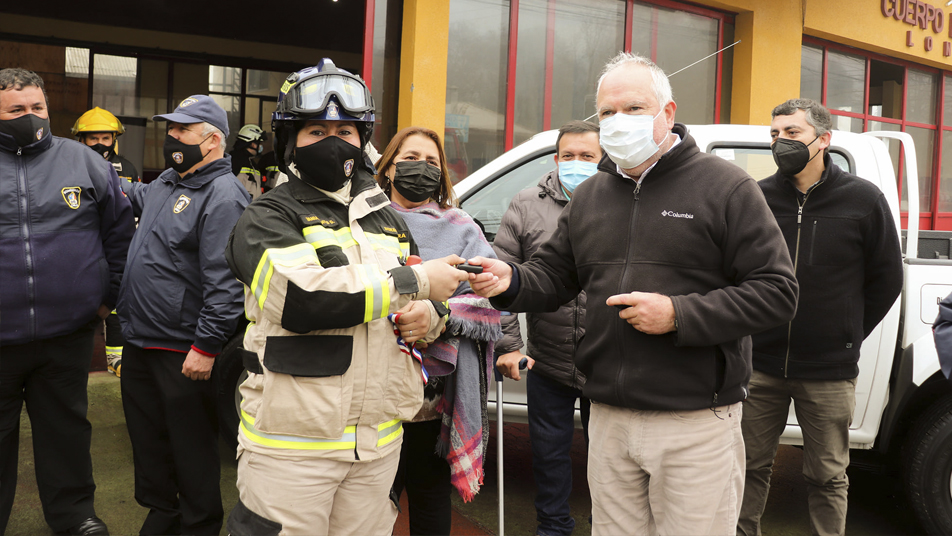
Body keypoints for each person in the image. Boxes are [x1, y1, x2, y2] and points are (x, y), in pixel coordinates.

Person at [467, 52, 799, 536]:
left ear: (667, 113)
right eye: (606, 113)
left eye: (634, 109)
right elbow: (555, 277)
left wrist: (679, 314)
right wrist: (510, 281)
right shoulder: (591, 197)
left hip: (695, 421)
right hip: (607, 419)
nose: (617, 122)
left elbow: (777, 292)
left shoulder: (726, 187)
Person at [223, 59, 469, 536]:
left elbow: (426, 301)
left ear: (363, 139)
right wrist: (414, 288)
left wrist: (430, 316)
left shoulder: (387, 219)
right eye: (317, 130)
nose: (334, 141)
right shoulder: (266, 216)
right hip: (292, 449)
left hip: (378, 447)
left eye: (345, 130)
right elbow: (300, 301)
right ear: (291, 141)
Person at [737, 99, 904, 536]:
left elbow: (887, 278)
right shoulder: (757, 196)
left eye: (792, 133)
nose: (780, 142)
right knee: (747, 467)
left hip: (829, 372)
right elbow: (736, 272)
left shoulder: (863, 200)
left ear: (823, 139)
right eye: (775, 134)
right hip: (760, 367)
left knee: (828, 475)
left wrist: (847, 333)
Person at [0, 68, 134, 536]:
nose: (30, 117)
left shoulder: (84, 162)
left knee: (66, 431)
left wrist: (103, 300)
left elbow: (119, 236)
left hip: (67, 334)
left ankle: (75, 515)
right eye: (17, 109)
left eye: (37, 108)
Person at [115, 95, 249, 535]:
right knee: (148, 443)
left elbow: (226, 283)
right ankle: (162, 513)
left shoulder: (223, 195)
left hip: (182, 348)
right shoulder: (167, 184)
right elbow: (130, 194)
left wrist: (206, 346)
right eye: (170, 128)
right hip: (140, 339)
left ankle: (198, 524)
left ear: (212, 141)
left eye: (181, 130)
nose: (171, 136)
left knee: (190, 449)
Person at [378, 126, 501, 535]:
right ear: (389, 166)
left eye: (432, 162)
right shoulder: (362, 221)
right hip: (372, 390)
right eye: (411, 158)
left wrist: (441, 313)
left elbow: (490, 300)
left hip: (433, 395)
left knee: (430, 497)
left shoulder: (463, 228)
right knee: (370, 500)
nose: (421, 168)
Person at [493, 119, 599, 536]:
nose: (577, 163)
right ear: (556, 159)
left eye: (588, 156)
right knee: (549, 454)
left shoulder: (621, 200)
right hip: (547, 361)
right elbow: (499, 280)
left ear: (603, 159)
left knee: (610, 457)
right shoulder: (524, 203)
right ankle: (553, 527)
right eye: (569, 155)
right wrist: (508, 345)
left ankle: (605, 524)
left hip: (605, 361)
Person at [72, 106, 141, 377]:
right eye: (93, 138)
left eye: (105, 138)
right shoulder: (67, 165)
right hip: (82, 245)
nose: (100, 144)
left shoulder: (128, 168)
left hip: (112, 243)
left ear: (115, 139)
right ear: (81, 140)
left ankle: (115, 356)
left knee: (116, 296)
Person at [230, 124, 267, 199]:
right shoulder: (233, 161)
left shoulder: (252, 164)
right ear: (253, 144)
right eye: (259, 143)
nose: (260, 147)